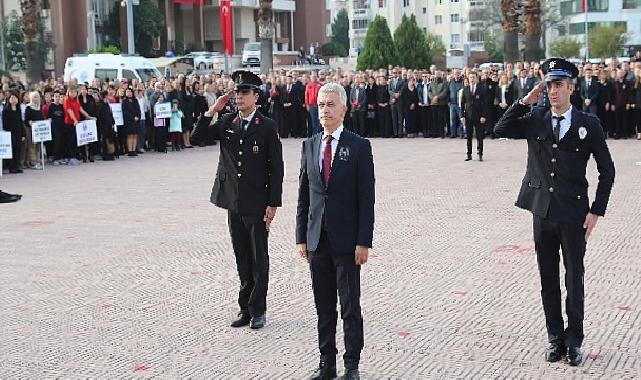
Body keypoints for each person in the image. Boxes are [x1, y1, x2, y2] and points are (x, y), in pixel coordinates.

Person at [494, 58, 615, 367]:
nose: (553, 91)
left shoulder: (589, 124)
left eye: (559, 85)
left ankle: (574, 340)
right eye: (548, 85)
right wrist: (524, 102)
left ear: (571, 88)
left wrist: (596, 211)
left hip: (574, 214)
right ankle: (555, 338)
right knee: (548, 279)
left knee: (574, 279)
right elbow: (500, 129)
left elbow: (607, 171)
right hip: (542, 213)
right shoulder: (535, 117)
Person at [191, 70, 284, 330]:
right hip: (233, 200)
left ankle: (258, 309)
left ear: (256, 96)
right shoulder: (227, 122)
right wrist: (213, 110)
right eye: (237, 92)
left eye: (244, 92)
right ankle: (245, 307)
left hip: (256, 201)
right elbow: (196, 138)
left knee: (258, 257)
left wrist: (273, 203)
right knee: (241, 256)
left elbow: (276, 167)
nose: (239, 96)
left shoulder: (267, 126)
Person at [296, 82, 375, 380]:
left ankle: (351, 364)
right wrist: (301, 237)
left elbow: (367, 199)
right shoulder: (310, 145)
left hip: (347, 242)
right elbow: (304, 196)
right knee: (323, 307)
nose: (325, 110)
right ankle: (326, 363)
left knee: (350, 307)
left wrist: (363, 241)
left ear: (344, 108)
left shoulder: (358, 146)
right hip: (317, 240)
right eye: (321, 105)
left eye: (330, 104)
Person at [460, 72, 488, 161]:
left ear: (476, 78)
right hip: (468, 116)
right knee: (469, 137)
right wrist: (462, 116)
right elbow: (462, 104)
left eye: (473, 77)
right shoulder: (465, 89)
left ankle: (480, 153)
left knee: (479, 136)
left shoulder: (481, 89)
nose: (472, 79)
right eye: (470, 77)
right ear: (468, 79)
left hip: (479, 116)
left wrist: (483, 115)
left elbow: (485, 104)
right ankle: (469, 154)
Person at [2, 92, 25, 173]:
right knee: (12, 150)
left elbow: (20, 123)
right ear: (9, 99)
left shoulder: (18, 110)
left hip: (18, 133)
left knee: (18, 150)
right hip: (10, 134)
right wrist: (11, 131)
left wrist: (23, 134)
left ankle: (17, 166)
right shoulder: (6, 111)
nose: (14, 99)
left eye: (15, 98)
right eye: (12, 98)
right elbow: (5, 125)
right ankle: (12, 167)